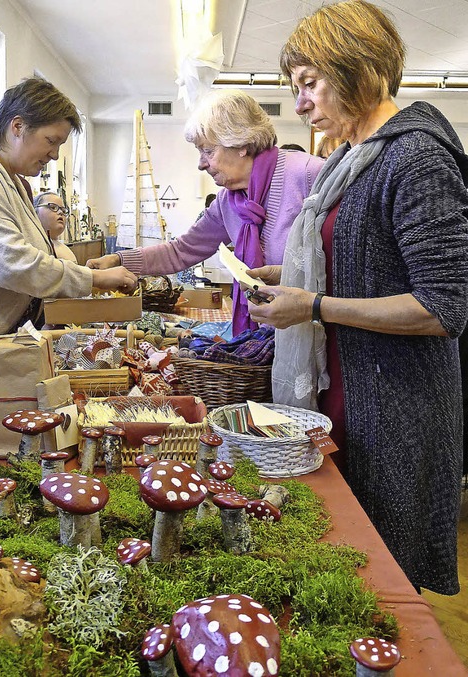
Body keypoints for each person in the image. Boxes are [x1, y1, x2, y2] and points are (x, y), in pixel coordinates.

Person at [246, 0, 468, 595]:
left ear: (357, 68)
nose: (299, 104)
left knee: (383, 585)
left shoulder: (415, 156)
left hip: (395, 408)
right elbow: (359, 262)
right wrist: (292, 279)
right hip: (347, 389)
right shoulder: (350, 161)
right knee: (348, 564)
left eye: (309, 84)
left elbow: (443, 308)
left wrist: (314, 307)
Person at [0, 77, 137, 464]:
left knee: (7, 456)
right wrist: (94, 279)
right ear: (18, 127)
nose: (53, 155)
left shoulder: (8, 177)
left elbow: (30, 255)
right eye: (51, 141)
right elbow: (12, 264)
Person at [87, 89, 323, 335]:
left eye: (208, 151)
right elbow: (181, 251)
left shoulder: (308, 175)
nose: (201, 163)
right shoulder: (227, 202)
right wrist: (119, 260)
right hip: (266, 335)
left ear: (241, 143)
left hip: (314, 332)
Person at [33, 191, 77, 262]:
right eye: (53, 207)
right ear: (34, 212)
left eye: (63, 210)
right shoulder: (33, 248)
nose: (60, 212)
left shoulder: (63, 248)